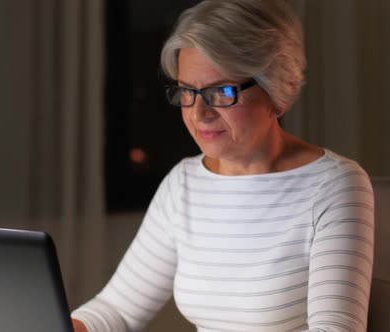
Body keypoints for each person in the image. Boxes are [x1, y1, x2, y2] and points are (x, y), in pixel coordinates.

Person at [72, 0, 374, 331]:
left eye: (222, 91)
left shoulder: (333, 185)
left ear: (280, 89)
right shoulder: (184, 183)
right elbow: (116, 311)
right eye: (188, 91)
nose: (199, 113)